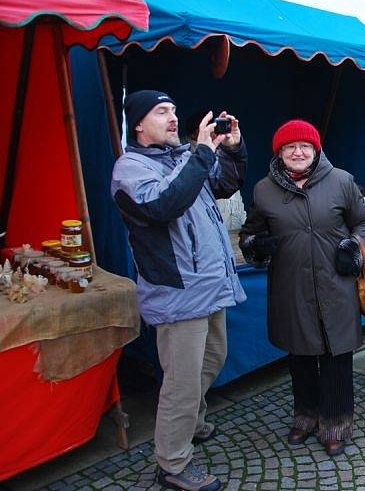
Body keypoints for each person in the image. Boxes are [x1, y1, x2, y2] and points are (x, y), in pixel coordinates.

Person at [111, 90, 247, 491]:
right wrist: (202, 153)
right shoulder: (130, 169)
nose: (172, 118)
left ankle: (193, 421)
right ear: (138, 124)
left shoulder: (182, 157)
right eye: (161, 112)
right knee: (181, 382)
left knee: (214, 358)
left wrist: (233, 150)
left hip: (208, 285)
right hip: (177, 292)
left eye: (174, 110)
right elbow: (162, 205)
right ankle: (172, 463)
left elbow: (223, 184)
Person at [239, 119, 365, 457]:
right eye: (290, 147)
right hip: (292, 288)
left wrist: (353, 246)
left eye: (305, 146)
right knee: (300, 357)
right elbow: (249, 235)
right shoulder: (263, 189)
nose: (298, 152)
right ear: (279, 153)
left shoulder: (341, 181)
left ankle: (336, 424)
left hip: (336, 285)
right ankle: (306, 416)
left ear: (316, 150)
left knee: (336, 358)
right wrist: (257, 246)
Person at [186, 110, 246, 230]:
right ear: (196, 132)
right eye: (207, 126)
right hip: (208, 230)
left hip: (234, 228)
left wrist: (232, 148)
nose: (213, 130)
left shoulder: (222, 150)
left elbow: (231, 186)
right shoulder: (186, 156)